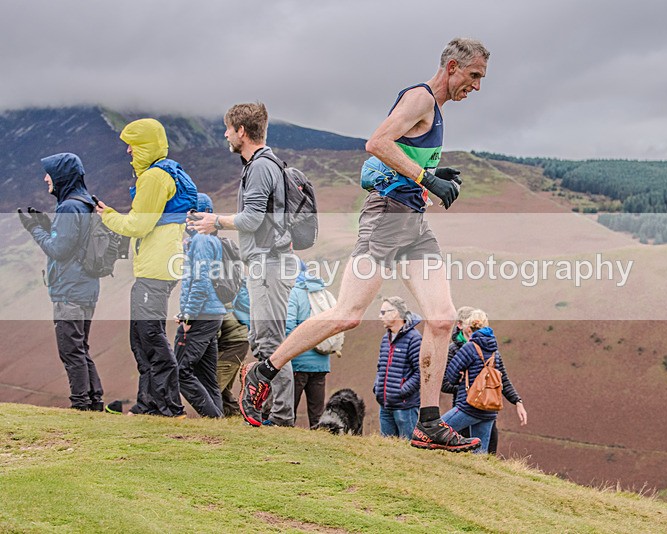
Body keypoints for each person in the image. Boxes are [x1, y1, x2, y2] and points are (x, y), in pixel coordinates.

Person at [231, 38, 490, 452]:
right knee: (347, 314)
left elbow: (400, 152)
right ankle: (264, 371)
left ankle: (428, 423)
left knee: (441, 319)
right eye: (474, 76)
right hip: (386, 218)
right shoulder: (421, 98)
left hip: (413, 223)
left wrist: (433, 169)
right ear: (453, 67)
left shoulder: (433, 109)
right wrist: (428, 179)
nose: (476, 86)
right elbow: (377, 143)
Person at [187, 102, 295, 427]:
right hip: (265, 264)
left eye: (228, 129)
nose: (225, 134)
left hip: (269, 265)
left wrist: (215, 222)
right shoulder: (258, 165)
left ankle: (282, 420)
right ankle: (268, 416)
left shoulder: (261, 167)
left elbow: (251, 218)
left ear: (242, 132)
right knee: (264, 343)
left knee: (273, 345)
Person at [96, 118, 197, 417]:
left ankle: (169, 406)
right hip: (157, 267)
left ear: (145, 146)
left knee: (149, 335)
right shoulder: (163, 173)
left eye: (133, 144)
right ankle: (149, 404)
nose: (128, 150)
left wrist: (108, 215)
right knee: (140, 338)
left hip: (155, 268)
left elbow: (138, 225)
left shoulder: (154, 177)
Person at [18, 153, 103, 411]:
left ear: (62, 176)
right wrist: (47, 224)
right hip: (87, 288)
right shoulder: (85, 202)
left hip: (70, 290)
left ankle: (80, 405)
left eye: (50, 173)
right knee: (81, 348)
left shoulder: (69, 207)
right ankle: (94, 402)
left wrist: (35, 229)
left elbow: (59, 250)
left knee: (71, 350)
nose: (46, 178)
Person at [442, 309, 527, 454]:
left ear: (468, 328)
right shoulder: (495, 352)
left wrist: (464, 380)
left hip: (468, 407)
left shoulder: (469, 347)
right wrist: (517, 401)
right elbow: (503, 380)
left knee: (435, 430)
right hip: (489, 410)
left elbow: (450, 377)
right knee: (480, 454)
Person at [173, 193, 226, 418]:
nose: (185, 217)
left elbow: (201, 281)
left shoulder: (202, 241)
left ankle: (213, 418)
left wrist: (188, 316)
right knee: (206, 376)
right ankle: (219, 425)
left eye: (189, 212)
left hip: (202, 316)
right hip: (211, 314)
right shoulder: (208, 240)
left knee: (179, 371)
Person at [285, 263, 334, 428]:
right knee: (317, 414)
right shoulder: (324, 293)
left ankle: (285, 441)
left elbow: (288, 327)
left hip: (299, 361)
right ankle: (318, 443)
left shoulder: (295, 293)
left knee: (289, 409)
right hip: (322, 362)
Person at [374, 297, 421, 440]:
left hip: (405, 407)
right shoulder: (385, 338)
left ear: (395, 313)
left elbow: (421, 372)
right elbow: (380, 367)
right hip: (385, 405)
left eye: (383, 312)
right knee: (386, 450)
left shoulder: (414, 338)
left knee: (408, 449)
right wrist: (377, 387)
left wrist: (402, 391)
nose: (379, 316)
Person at [217, 284, 251, 417]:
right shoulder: (232, 300)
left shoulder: (221, 304)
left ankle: (217, 415)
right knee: (221, 386)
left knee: (215, 384)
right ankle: (234, 413)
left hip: (233, 346)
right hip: (238, 344)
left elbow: (216, 334)